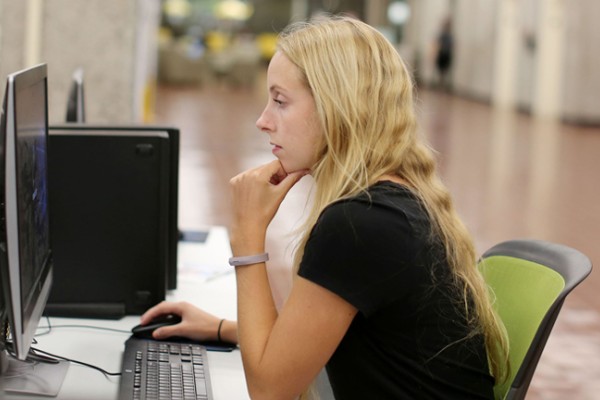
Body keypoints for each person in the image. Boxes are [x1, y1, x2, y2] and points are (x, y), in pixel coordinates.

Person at [141, 15, 509, 399]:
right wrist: (223, 328)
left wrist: (248, 237)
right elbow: (336, 330)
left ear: (337, 107)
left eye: (280, 101)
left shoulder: (361, 222)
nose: (262, 121)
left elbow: (269, 390)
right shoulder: (392, 200)